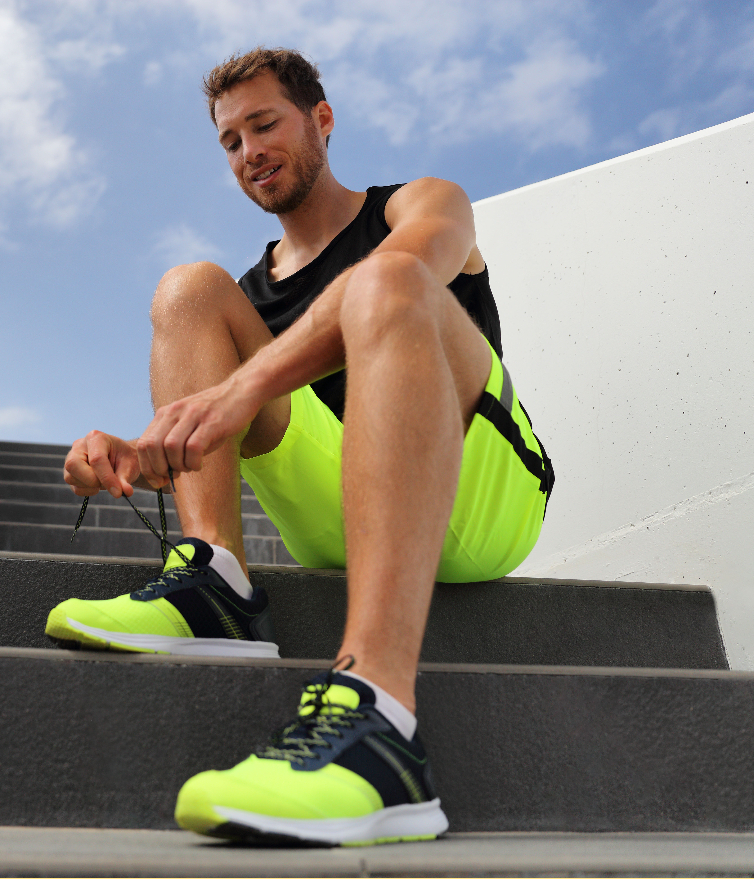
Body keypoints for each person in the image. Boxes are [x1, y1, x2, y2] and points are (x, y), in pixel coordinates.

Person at [46, 48, 554, 846]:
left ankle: (381, 725)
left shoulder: (415, 202)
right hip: (339, 513)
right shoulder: (247, 301)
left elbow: (418, 260)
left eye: (264, 123)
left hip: (484, 498)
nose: (249, 151)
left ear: (320, 118)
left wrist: (240, 389)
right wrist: (141, 452)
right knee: (190, 290)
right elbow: (216, 416)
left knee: (385, 285)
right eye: (230, 141)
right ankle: (215, 583)